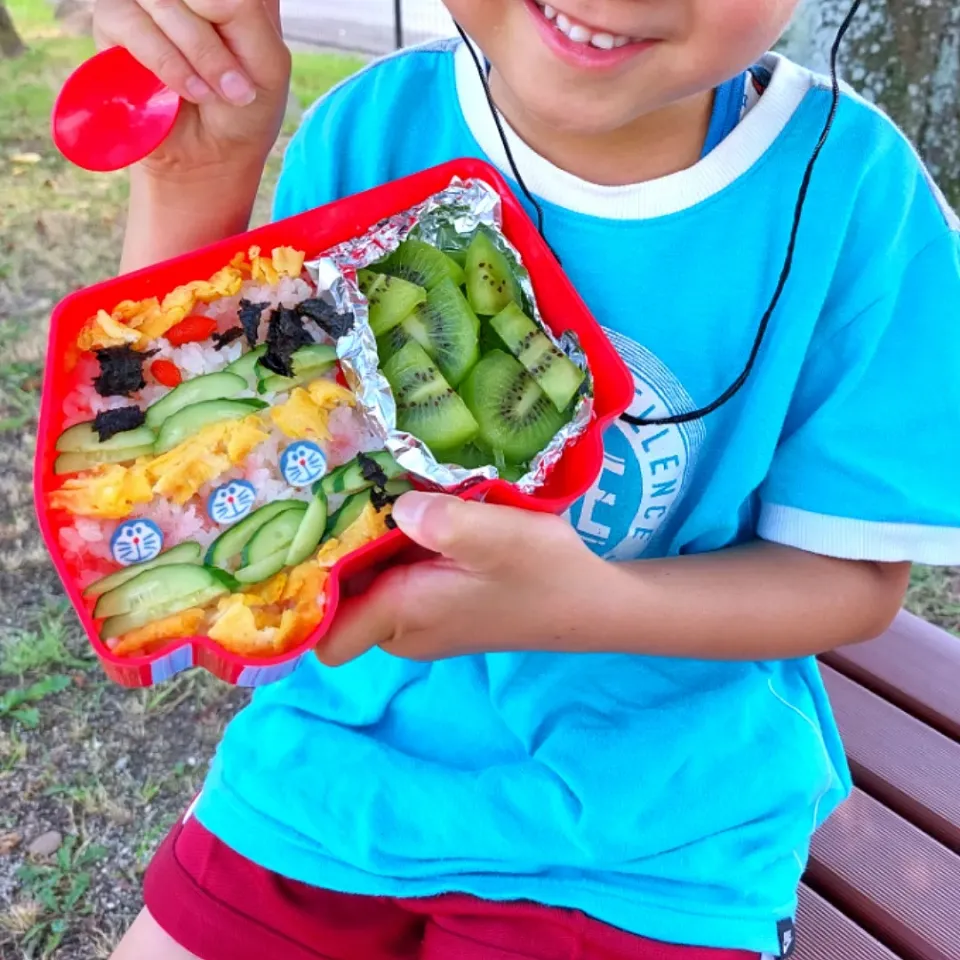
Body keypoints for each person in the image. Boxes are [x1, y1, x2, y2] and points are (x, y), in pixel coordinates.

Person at [95, 1, 960, 958]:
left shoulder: (855, 203)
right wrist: (192, 179)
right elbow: (182, 484)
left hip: (657, 826)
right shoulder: (365, 128)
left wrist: (581, 604)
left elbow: (849, 581)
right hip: (334, 764)